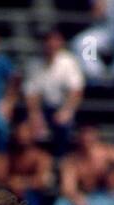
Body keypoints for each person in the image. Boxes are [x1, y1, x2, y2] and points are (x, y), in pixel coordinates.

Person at [22, 28, 84, 157]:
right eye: (48, 41)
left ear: (60, 43)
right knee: (27, 129)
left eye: (55, 40)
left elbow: (76, 91)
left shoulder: (69, 62)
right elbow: (31, 94)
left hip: (63, 107)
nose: (51, 44)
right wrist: (35, 115)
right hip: (42, 109)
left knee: (64, 125)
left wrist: (66, 111)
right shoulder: (33, 64)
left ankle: (60, 159)